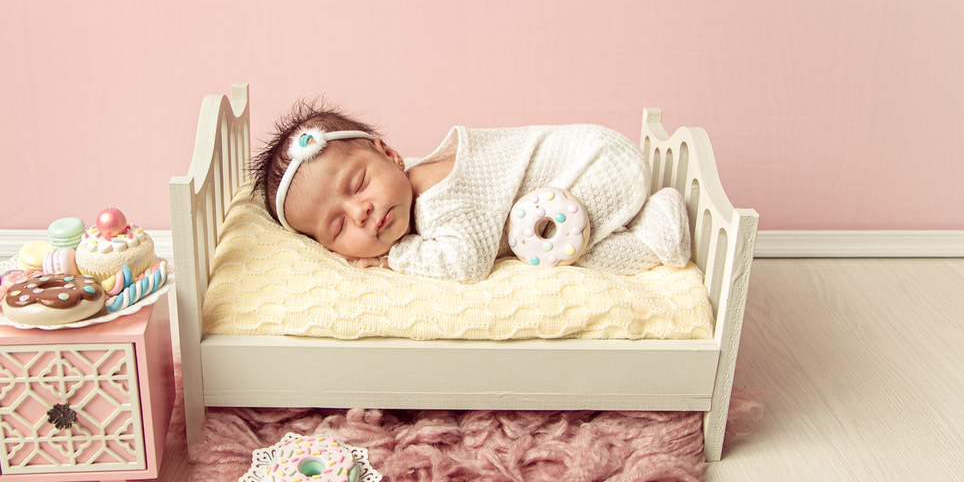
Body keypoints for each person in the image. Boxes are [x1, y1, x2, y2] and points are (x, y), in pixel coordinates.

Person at [251, 99, 690, 284]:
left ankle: (655, 230)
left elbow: (467, 263)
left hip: (599, 164)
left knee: (563, 258)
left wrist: (392, 257)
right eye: (339, 224)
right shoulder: (407, 190)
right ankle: (641, 217)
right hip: (590, 163)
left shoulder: (437, 191)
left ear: (389, 153)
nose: (361, 212)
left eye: (358, 184)